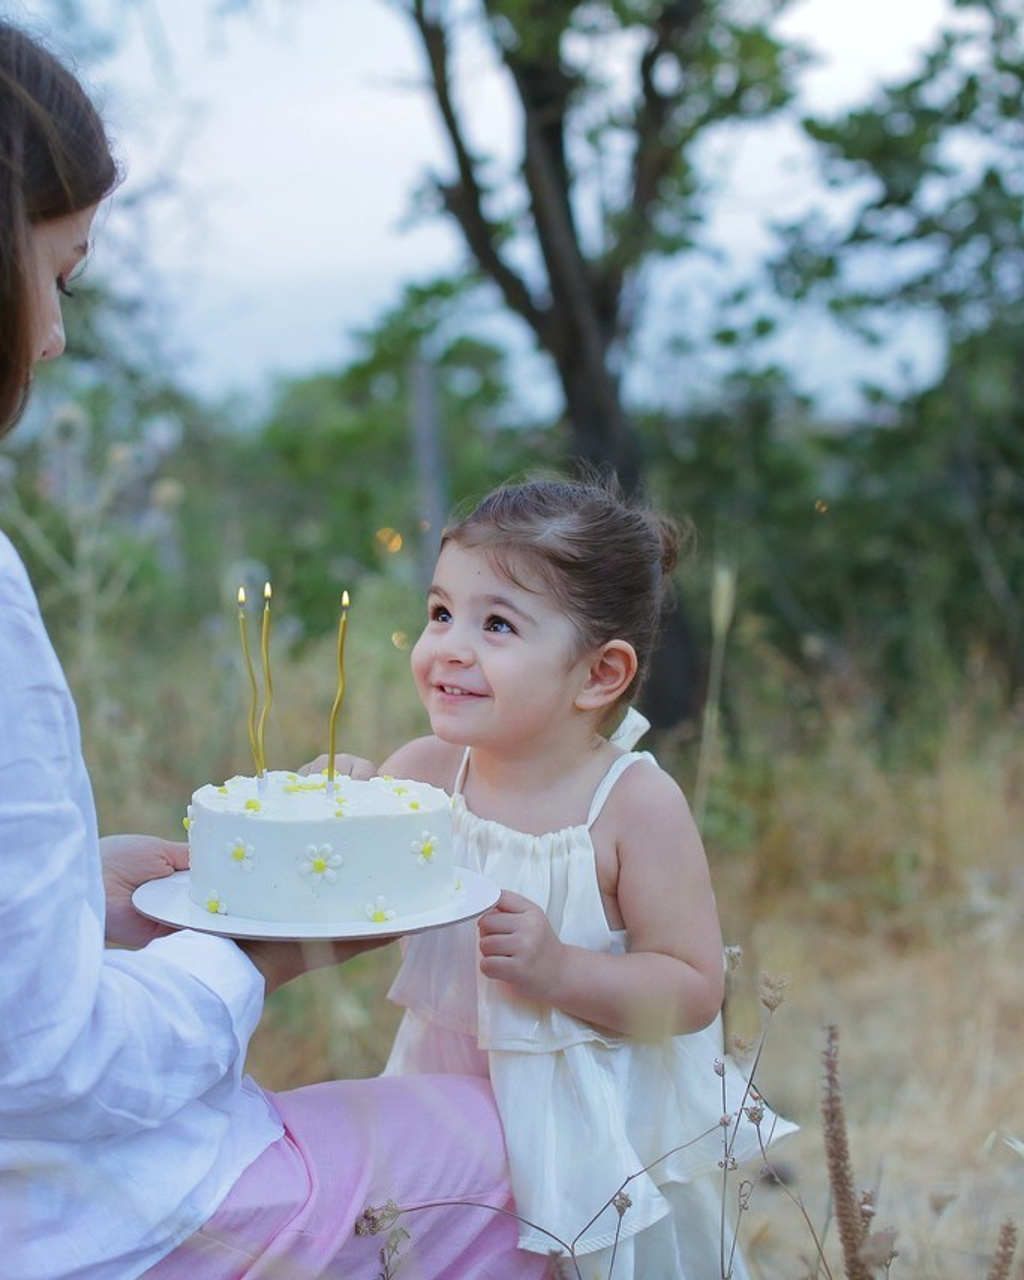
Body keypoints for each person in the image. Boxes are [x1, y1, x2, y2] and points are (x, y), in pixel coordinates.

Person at [0, 6, 549, 1277]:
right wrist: (243, 954)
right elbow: (24, 1063)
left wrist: (78, 894)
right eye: (57, 274)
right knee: (519, 1161)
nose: (53, 334)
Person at [313, 477, 796, 1278]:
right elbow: (348, 904)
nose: (448, 647)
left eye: (497, 624)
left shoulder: (631, 805)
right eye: (441, 613)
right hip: (441, 1112)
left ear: (599, 674)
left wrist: (561, 969)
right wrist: (329, 815)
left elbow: (691, 987)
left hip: (584, 1138)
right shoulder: (425, 774)